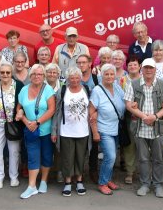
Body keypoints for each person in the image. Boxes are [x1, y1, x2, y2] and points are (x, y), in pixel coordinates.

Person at [125, 58, 163, 198]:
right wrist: (145, 117)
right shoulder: (133, 84)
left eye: (151, 68)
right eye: (146, 68)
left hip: (157, 127)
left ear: (155, 70)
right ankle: (144, 184)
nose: (149, 70)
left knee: (158, 158)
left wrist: (155, 117)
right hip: (140, 127)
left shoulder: (162, 84)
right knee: (143, 158)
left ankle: (158, 185)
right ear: (141, 69)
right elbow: (128, 105)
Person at [16, 64, 57, 198]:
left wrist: (37, 122)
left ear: (43, 76)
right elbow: (19, 108)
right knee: (33, 156)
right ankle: (32, 186)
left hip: (45, 130)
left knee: (46, 155)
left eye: (40, 74)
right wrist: (26, 121)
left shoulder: (48, 90)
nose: (36, 76)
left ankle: (44, 181)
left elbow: (52, 109)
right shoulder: (24, 90)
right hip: (30, 129)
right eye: (34, 74)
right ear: (30, 76)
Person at [52, 67, 93, 196]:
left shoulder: (86, 89)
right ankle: (68, 182)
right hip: (66, 131)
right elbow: (56, 112)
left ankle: (79, 181)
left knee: (80, 157)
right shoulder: (62, 91)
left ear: (80, 78)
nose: (74, 80)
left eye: (76, 77)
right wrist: (54, 131)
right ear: (68, 79)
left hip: (83, 130)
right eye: (71, 78)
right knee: (67, 158)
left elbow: (92, 108)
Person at [89, 63, 125, 195]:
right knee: (110, 156)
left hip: (116, 128)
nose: (109, 76)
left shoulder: (117, 87)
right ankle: (102, 183)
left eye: (111, 74)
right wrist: (95, 132)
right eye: (106, 74)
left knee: (111, 157)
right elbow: (91, 113)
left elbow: (125, 101)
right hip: (103, 129)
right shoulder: (97, 90)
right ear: (102, 75)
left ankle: (108, 179)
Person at [0, 61, 24, 188]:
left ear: (11, 73)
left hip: (13, 124)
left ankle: (14, 176)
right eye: (2, 72)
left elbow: (23, 102)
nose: (5, 74)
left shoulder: (18, 85)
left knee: (14, 151)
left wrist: (20, 111)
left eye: (8, 72)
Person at [119, 55, 141, 184]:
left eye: (135, 64)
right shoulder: (123, 80)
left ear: (139, 66)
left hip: (143, 116)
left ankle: (145, 172)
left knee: (144, 146)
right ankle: (130, 172)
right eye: (130, 65)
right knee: (129, 145)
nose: (132, 67)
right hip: (128, 116)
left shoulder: (145, 78)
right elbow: (119, 96)